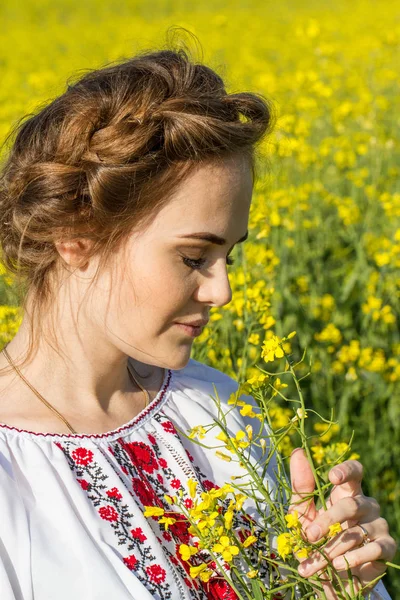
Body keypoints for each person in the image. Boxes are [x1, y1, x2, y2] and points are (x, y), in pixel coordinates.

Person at [0, 41, 396, 600]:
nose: (223, 290)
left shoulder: (215, 408)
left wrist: (335, 588)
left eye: (229, 255)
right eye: (194, 257)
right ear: (76, 235)